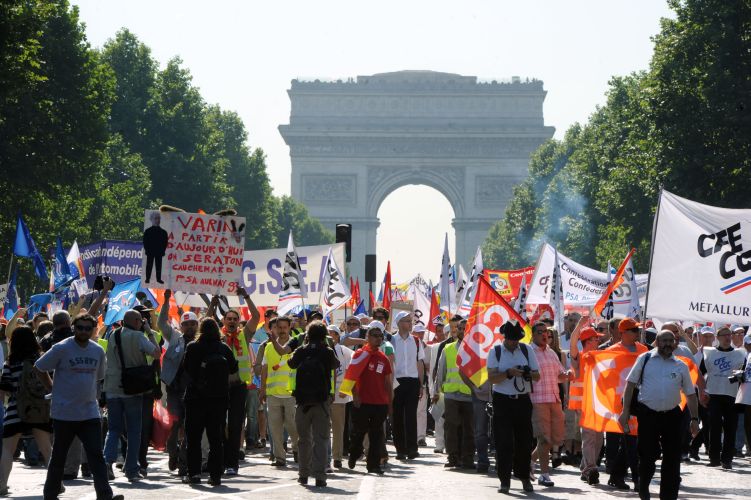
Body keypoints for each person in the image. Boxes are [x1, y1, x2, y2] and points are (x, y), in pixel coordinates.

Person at [34, 313, 123, 500]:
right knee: (59, 456)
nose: (83, 331)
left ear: (93, 330)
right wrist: (51, 387)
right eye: (80, 327)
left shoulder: (97, 350)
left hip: (89, 412)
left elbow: (99, 377)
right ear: (73, 327)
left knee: (96, 456)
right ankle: (50, 494)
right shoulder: (62, 348)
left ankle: (105, 495)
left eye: (87, 328)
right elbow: (39, 367)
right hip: (64, 413)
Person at [619, 330, 700, 500]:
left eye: (671, 340)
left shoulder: (681, 365)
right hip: (648, 414)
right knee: (647, 455)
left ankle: (668, 496)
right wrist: (625, 411)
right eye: (664, 340)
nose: (668, 343)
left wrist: (694, 419)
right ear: (657, 341)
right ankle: (643, 486)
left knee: (672, 458)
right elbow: (630, 385)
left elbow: (691, 394)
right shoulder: (645, 359)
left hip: (672, 415)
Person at [102, 309, 160, 482]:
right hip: (133, 389)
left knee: (114, 429)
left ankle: (107, 463)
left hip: (113, 387)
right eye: (140, 321)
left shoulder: (113, 335)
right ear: (136, 321)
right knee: (134, 430)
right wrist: (149, 331)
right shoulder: (139, 336)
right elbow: (156, 353)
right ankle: (131, 469)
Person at [208, 286, 260, 476]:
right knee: (219, 424)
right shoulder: (217, 336)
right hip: (220, 387)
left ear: (238, 322)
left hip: (239, 387)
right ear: (223, 321)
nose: (231, 321)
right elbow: (205, 322)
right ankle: (221, 460)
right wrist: (212, 304)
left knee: (236, 425)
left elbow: (256, 317)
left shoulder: (244, 334)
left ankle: (232, 463)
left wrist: (246, 296)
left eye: (234, 319)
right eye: (228, 319)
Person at [182, 317, 239, 486]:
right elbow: (234, 368)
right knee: (216, 439)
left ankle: (194, 473)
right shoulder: (223, 348)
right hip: (218, 399)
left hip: (195, 398)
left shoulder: (192, 347)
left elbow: (186, 368)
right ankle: (215, 475)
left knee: (194, 438)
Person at [487, 321, 540, 494]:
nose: (513, 342)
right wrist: (508, 373)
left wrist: (526, 373)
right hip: (502, 400)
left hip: (522, 400)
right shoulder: (495, 351)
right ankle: (504, 480)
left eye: (516, 339)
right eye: (511, 339)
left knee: (524, 441)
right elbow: (492, 378)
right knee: (504, 442)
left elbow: (537, 376)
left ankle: (524, 477)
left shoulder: (526, 350)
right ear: (505, 337)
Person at [0, 326, 52, 496]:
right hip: (38, 409)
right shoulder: (40, 360)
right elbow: (48, 385)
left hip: (15, 409)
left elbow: (5, 388)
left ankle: (1, 485)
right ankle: (56, 483)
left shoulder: (10, 362)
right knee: (46, 449)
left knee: (7, 450)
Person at [287, 320, 338, 487]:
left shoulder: (302, 350)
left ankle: (303, 474)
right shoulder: (327, 351)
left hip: (302, 403)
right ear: (324, 335)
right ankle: (320, 477)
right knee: (321, 440)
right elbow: (335, 365)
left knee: (304, 440)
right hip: (321, 402)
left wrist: (304, 345)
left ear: (308, 334)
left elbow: (291, 363)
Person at [342, 322, 393, 475]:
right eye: (374, 336)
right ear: (367, 337)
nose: (378, 338)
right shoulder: (359, 355)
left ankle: (373, 465)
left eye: (380, 336)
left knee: (376, 435)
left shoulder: (383, 358)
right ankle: (354, 453)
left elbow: (388, 383)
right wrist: (355, 395)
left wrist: (390, 404)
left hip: (379, 403)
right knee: (359, 432)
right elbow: (351, 376)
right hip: (362, 402)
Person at [605, 317, 647, 491]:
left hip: (641, 401)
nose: (638, 332)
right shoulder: (611, 352)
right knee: (630, 441)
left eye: (638, 329)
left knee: (632, 441)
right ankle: (637, 479)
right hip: (621, 403)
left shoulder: (643, 350)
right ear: (623, 332)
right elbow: (605, 376)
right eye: (634, 330)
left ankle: (616, 475)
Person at [158, 290, 198, 476]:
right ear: (181, 326)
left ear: (197, 326)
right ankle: (172, 453)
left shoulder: (201, 341)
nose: (189, 327)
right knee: (173, 426)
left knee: (190, 427)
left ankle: (183, 462)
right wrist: (166, 300)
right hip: (175, 390)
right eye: (186, 324)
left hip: (194, 392)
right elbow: (161, 323)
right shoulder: (174, 337)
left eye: (193, 324)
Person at [529, 322, 573, 487]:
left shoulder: (551, 353)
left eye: (546, 332)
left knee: (554, 439)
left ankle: (529, 462)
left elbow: (559, 376)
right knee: (544, 439)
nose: (544, 335)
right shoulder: (529, 352)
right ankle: (544, 475)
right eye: (540, 332)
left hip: (554, 399)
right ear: (533, 334)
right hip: (537, 400)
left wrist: (567, 375)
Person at [701, 325, 746, 468]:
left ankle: (727, 459)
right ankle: (714, 458)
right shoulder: (709, 352)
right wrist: (702, 392)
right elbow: (701, 373)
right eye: (724, 335)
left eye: (729, 334)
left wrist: (741, 376)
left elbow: (745, 374)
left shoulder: (740, 353)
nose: (727, 337)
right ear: (717, 338)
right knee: (714, 427)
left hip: (732, 395)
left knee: (730, 428)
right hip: (714, 394)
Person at [432, 320, 474, 469]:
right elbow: (440, 371)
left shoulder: (476, 350)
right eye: (459, 328)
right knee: (451, 427)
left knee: (469, 429)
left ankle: (468, 458)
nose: (461, 331)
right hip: (451, 395)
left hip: (469, 395)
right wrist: (436, 392)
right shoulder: (448, 348)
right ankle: (453, 457)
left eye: (464, 328)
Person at [569, 319, 604, 484]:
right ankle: (590, 468)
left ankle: (586, 467)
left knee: (598, 438)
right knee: (589, 436)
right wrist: (579, 325)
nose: (599, 341)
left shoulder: (601, 357)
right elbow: (572, 344)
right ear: (588, 341)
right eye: (596, 338)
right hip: (584, 404)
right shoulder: (579, 357)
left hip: (599, 404)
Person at [261, 316, 299, 466]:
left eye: (285, 327)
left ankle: (297, 448)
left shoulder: (296, 345)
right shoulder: (269, 347)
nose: (282, 330)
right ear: (275, 328)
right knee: (275, 429)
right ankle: (279, 457)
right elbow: (264, 369)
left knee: (293, 426)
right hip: (273, 394)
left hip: (291, 394)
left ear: (289, 328)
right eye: (279, 327)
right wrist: (262, 389)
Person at [390, 311, 425, 460]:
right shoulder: (391, 340)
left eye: (410, 321)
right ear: (398, 323)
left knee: (411, 416)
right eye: (406, 321)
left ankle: (412, 448)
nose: (410, 323)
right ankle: (400, 449)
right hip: (396, 381)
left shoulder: (416, 341)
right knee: (397, 416)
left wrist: (421, 384)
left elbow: (420, 362)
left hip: (412, 382)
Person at [329, 325, 352, 469]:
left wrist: (346, 389)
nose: (329, 336)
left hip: (339, 395)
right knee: (322, 428)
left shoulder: (344, 351)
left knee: (338, 428)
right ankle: (323, 456)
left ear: (337, 336)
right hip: (324, 394)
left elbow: (351, 371)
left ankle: (337, 457)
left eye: (332, 333)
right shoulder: (321, 350)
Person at [143, 211, 168, 284]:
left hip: (159, 252)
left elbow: (165, 243)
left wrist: (163, 251)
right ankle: (147, 278)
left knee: (158, 266)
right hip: (150, 251)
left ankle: (158, 279)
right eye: (156, 218)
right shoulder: (148, 231)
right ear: (151, 219)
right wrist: (147, 250)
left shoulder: (163, 232)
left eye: (159, 218)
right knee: (149, 265)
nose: (157, 220)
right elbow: (145, 242)